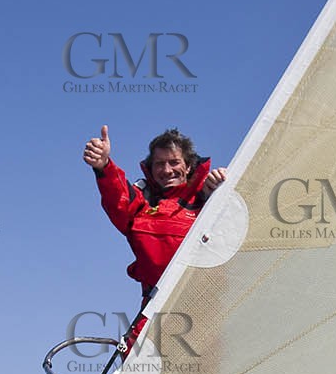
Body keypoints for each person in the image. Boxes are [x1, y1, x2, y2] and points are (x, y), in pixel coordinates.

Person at [83, 125, 228, 303]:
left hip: (208, 305)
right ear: (151, 169)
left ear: (188, 166)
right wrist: (103, 165)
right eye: (159, 164)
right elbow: (118, 199)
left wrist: (227, 183)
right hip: (156, 308)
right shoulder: (141, 205)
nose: (167, 170)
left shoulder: (209, 197)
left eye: (174, 162)